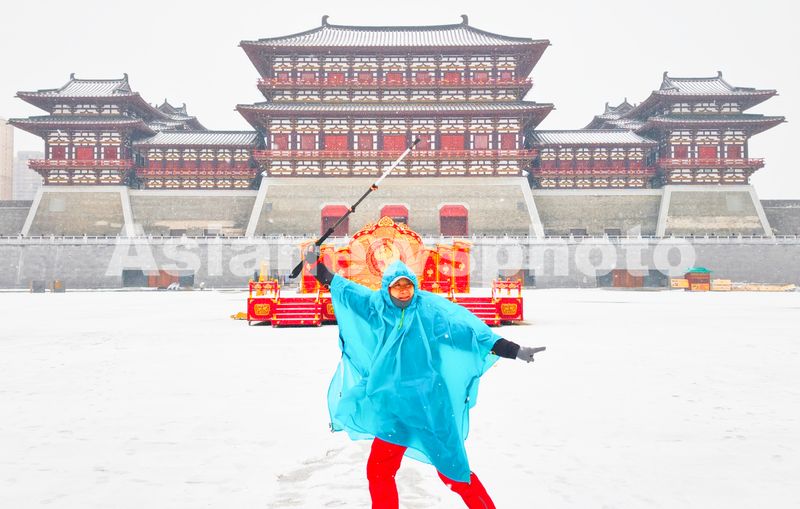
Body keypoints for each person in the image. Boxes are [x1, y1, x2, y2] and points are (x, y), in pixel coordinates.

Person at [304, 248, 544, 509]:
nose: (403, 291)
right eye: (397, 286)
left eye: (407, 285)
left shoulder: (430, 313)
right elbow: (345, 290)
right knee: (379, 471)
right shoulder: (377, 308)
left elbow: (472, 336)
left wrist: (514, 350)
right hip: (394, 408)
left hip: (430, 407)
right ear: (387, 288)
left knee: (455, 474)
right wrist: (315, 265)